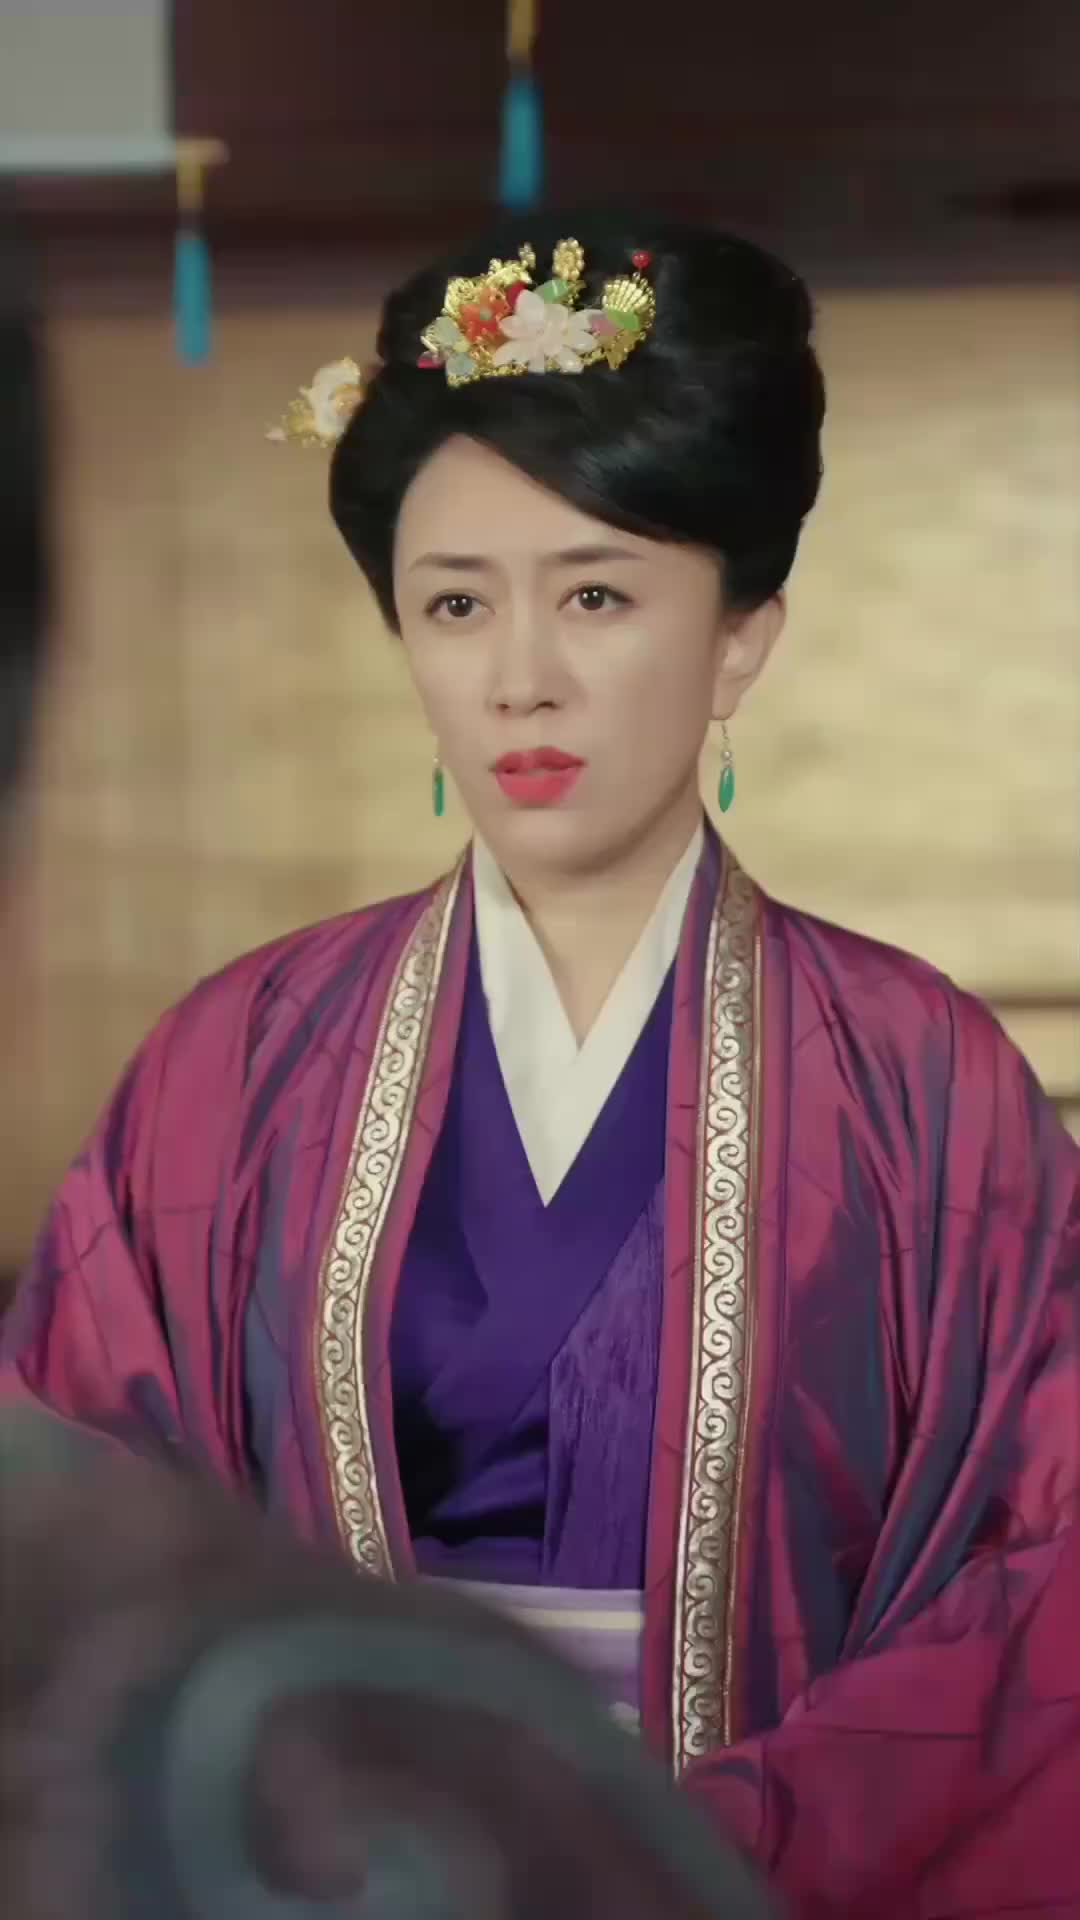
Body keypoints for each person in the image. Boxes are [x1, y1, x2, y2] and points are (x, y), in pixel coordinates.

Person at [2, 209, 1078, 1917]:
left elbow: (1041, 1571)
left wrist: (698, 1849)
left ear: (741, 634)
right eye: (455, 603)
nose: (520, 679)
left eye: (596, 595)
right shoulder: (235, 1059)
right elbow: (77, 1497)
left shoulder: (920, 1077)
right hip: (317, 1869)